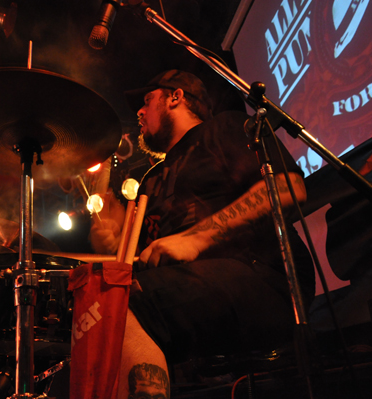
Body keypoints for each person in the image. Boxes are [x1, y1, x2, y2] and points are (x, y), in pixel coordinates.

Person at [89, 70, 315, 399]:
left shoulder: (224, 128)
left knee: (122, 304)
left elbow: (286, 188)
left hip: (263, 279)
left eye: (147, 100)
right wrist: (113, 245)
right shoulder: (151, 180)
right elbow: (146, 258)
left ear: (175, 97)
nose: (139, 111)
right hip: (188, 289)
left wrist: (195, 239)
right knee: (98, 299)